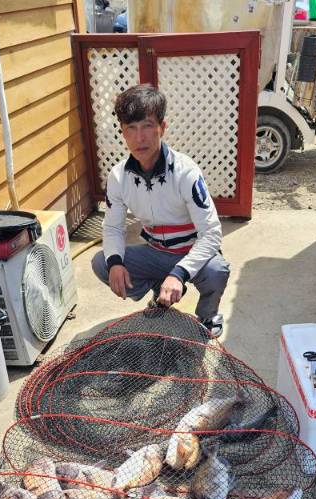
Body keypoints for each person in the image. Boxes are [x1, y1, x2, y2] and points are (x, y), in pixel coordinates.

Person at [91, 84, 230, 337]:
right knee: (103, 262)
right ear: (122, 132)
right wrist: (116, 263)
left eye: (147, 126)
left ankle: (208, 315)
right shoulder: (118, 176)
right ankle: (160, 289)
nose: (139, 138)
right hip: (156, 251)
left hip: (191, 251)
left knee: (216, 270)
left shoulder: (186, 171)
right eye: (131, 128)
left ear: (162, 128)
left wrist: (179, 273)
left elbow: (211, 233)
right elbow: (112, 228)